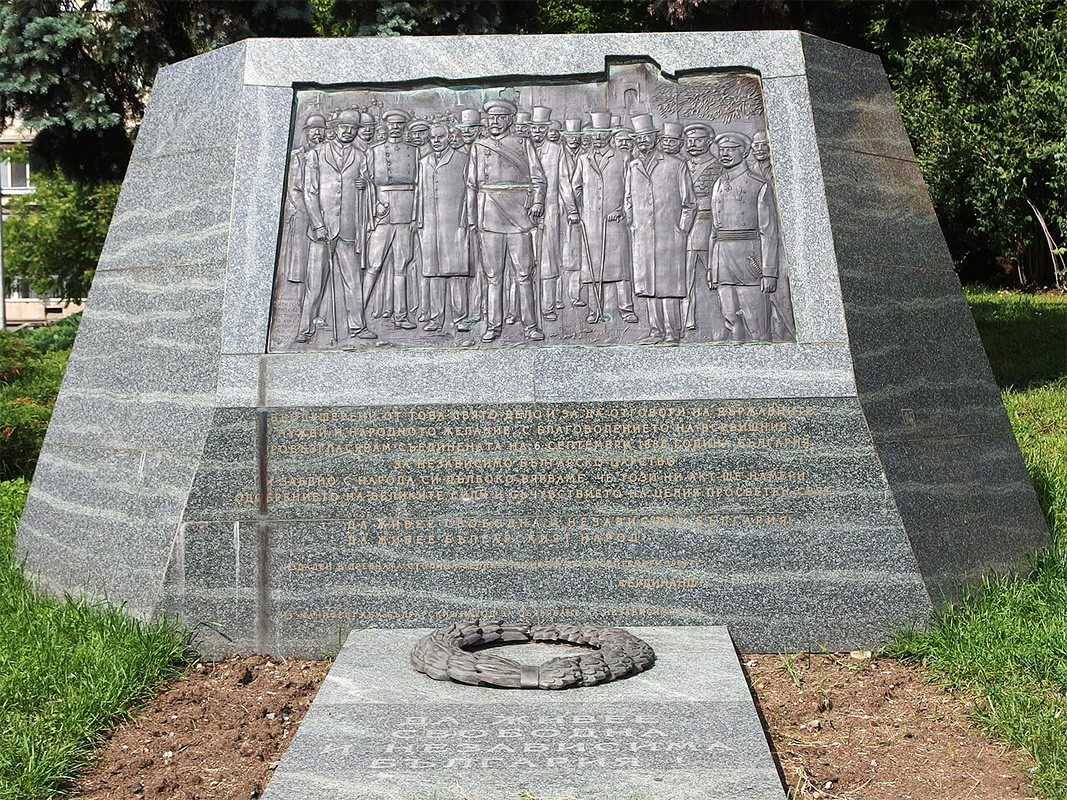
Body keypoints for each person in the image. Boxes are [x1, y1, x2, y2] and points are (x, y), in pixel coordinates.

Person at [464, 98, 548, 342]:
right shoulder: (479, 147)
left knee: (524, 274)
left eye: (500, 118)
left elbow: (538, 178)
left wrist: (538, 202)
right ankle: (493, 325)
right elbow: (472, 185)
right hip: (489, 216)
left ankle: (530, 325)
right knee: (494, 276)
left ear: (510, 120)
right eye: (491, 118)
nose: (495, 122)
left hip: (519, 217)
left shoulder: (523, 143)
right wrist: (472, 218)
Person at [301, 108, 376, 342]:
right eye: (345, 127)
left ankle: (357, 326)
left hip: (347, 229)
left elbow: (367, 186)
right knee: (315, 283)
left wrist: (365, 186)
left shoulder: (360, 156)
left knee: (353, 281)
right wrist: (318, 223)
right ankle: (305, 329)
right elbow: (310, 192)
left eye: (353, 129)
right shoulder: (316, 154)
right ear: (335, 128)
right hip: (322, 230)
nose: (348, 132)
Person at [625, 113, 696, 345]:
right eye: (639, 138)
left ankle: (672, 333)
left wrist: (681, 229)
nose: (643, 141)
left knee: (667, 286)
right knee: (647, 285)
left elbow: (689, 203)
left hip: (669, 234)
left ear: (655, 138)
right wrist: (632, 222)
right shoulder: (633, 165)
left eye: (647, 137)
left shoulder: (676, 164)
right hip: (642, 235)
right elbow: (628, 199)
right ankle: (655, 330)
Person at [709, 131, 780, 341]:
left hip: (748, 258)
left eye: (731, 149)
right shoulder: (718, 184)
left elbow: (768, 231)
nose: (726, 154)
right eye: (722, 150)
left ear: (745, 151)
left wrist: (769, 272)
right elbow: (714, 229)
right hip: (723, 260)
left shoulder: (759, 185)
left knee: (756, 323)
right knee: (730, 317)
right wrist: (713, 267)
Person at [572, 111, 637, 325]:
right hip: (591, 221)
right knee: (592, 266)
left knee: (620, 267)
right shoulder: (583, 159)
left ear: (610, 136)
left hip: (615, 220)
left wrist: (621, 209)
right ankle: (594, 310)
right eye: (595, 134)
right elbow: (576, 187)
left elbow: (631, 188)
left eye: (603, 134)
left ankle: (626, 308)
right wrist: (583, 209)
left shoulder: (623, 157)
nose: (599, 138)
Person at [364, 108, 420, 331]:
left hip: (406, 211)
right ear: (386, 126)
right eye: (392, 124)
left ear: (404, 126)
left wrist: (416, 214)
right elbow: (365, 181)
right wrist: (375, 201)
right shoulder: (375, 151)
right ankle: (357, 314)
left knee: (401, 265)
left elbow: (420, 184)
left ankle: (401, 315)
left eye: (399, 124)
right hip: (383, 210)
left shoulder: (414, 151)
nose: (395, 128)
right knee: (374, 264)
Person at [417, 124, 472, 333]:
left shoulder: (462, 159)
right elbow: (420, 193)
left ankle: (460, 318)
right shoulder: (424, 162)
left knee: (457, 272)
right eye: (433, 137)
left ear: (449, 138)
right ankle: (435, 317)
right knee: (433, 273)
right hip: (430, 224)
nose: (436, 140)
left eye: (440, 137)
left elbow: (469, 190)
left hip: (454, 222)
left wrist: (467, 219)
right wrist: (419, 220)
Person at [529, 105, 578, 322]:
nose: (537, 132)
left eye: (541, 128)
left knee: (548, 260)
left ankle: (547, 306)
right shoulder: (523, 148)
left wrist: (572, 209)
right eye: (534, 128)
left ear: (547, 128)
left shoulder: (557, 151)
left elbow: (565, 182)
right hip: (522, 214)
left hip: (550, 211)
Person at [682, 122, 724, 336]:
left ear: (709, 141)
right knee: (683, 279)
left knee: (714, 278)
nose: (693, 144)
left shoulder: (718, 166)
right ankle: (686, 322)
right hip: (683, 230)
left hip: (708, 227)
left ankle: (723, 325)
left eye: (698, 140)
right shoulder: (681, 165)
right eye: (689, 140)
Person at [281, 113, 325, 296]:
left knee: (319, 268)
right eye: (313, 131)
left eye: (321, 131)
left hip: (322, 213)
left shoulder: (325, 155)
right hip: (302, 214)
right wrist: (306, 212)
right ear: (306, 132)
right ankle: (301, 306)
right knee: (301, 265)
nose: (317, 134)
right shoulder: (298, 156)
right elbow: (293, 189)